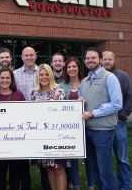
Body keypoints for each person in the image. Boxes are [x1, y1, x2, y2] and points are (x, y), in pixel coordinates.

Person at [79, 48, 122, 190]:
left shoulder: (110, 77)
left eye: (93, 58)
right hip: (88, 130)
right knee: (94, 169)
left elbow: (117, 104)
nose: (90, 60)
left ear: (100, 60)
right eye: (87, 58)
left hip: (103, 131)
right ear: (85, 61)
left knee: (105, 170)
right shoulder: (84, 81)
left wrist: (93, 113)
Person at [102, 51, 132, 190]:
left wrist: (122, 115)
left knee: (122, 158)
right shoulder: (99, 78)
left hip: (118, 123)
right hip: (102, 125)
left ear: (114, 60)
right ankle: (113, 185)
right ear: (101, 60)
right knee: (107, 159)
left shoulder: (122, 76)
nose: (107, 62)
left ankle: (126, 186)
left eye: (109, 59)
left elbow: (131, 97)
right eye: (104, 59)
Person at [30, 64, 67, 190]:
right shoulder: (34, 93)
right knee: (49, 169)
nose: (44, 77)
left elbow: (63, 115)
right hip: (42, 137)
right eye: (41, 74)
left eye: (46, 74)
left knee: (58, 168)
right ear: (37, 76)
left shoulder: (59, 91)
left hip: (58, 137)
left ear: (51, 75)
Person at [0, 68, 25, 190]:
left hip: (16, 143)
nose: (5, 80)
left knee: (15, 177)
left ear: (12, 80)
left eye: (7, 78)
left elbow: (25, 117)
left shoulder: (19, 95)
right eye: (2, 78)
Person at [13, 46, 39, 190]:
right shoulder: (15, 74)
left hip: (40, 120)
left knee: (43, 159)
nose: (29, 57)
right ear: (22, 57)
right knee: (21, 159)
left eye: (31, 54)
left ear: (35, 56)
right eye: (26, 55)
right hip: (20, 121)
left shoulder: (43, 72)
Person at [59, 57, 83, 190]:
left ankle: (91, 185)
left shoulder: (86, 83)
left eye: (74, 66)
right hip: (69, 129)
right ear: (65, 70)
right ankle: (75, 185)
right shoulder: (61, 86)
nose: (71, 69)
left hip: (87, 125)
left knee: (89, 157)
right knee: (72, 159)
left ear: (79, 68)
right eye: (69, 67)